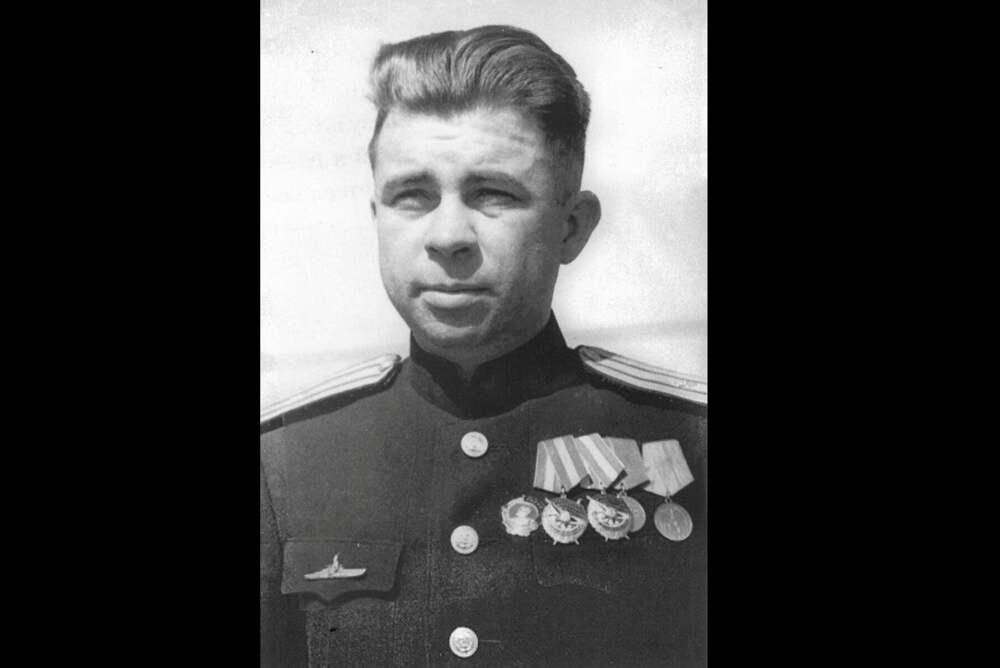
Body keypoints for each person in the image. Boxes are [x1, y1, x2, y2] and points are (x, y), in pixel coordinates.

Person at [260, 24, 707, 667]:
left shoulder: (688, 440)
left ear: (572, 227)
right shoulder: (284, 461)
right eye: (412, 196)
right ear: (377, 218)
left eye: (492, 193)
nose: (447, 236)